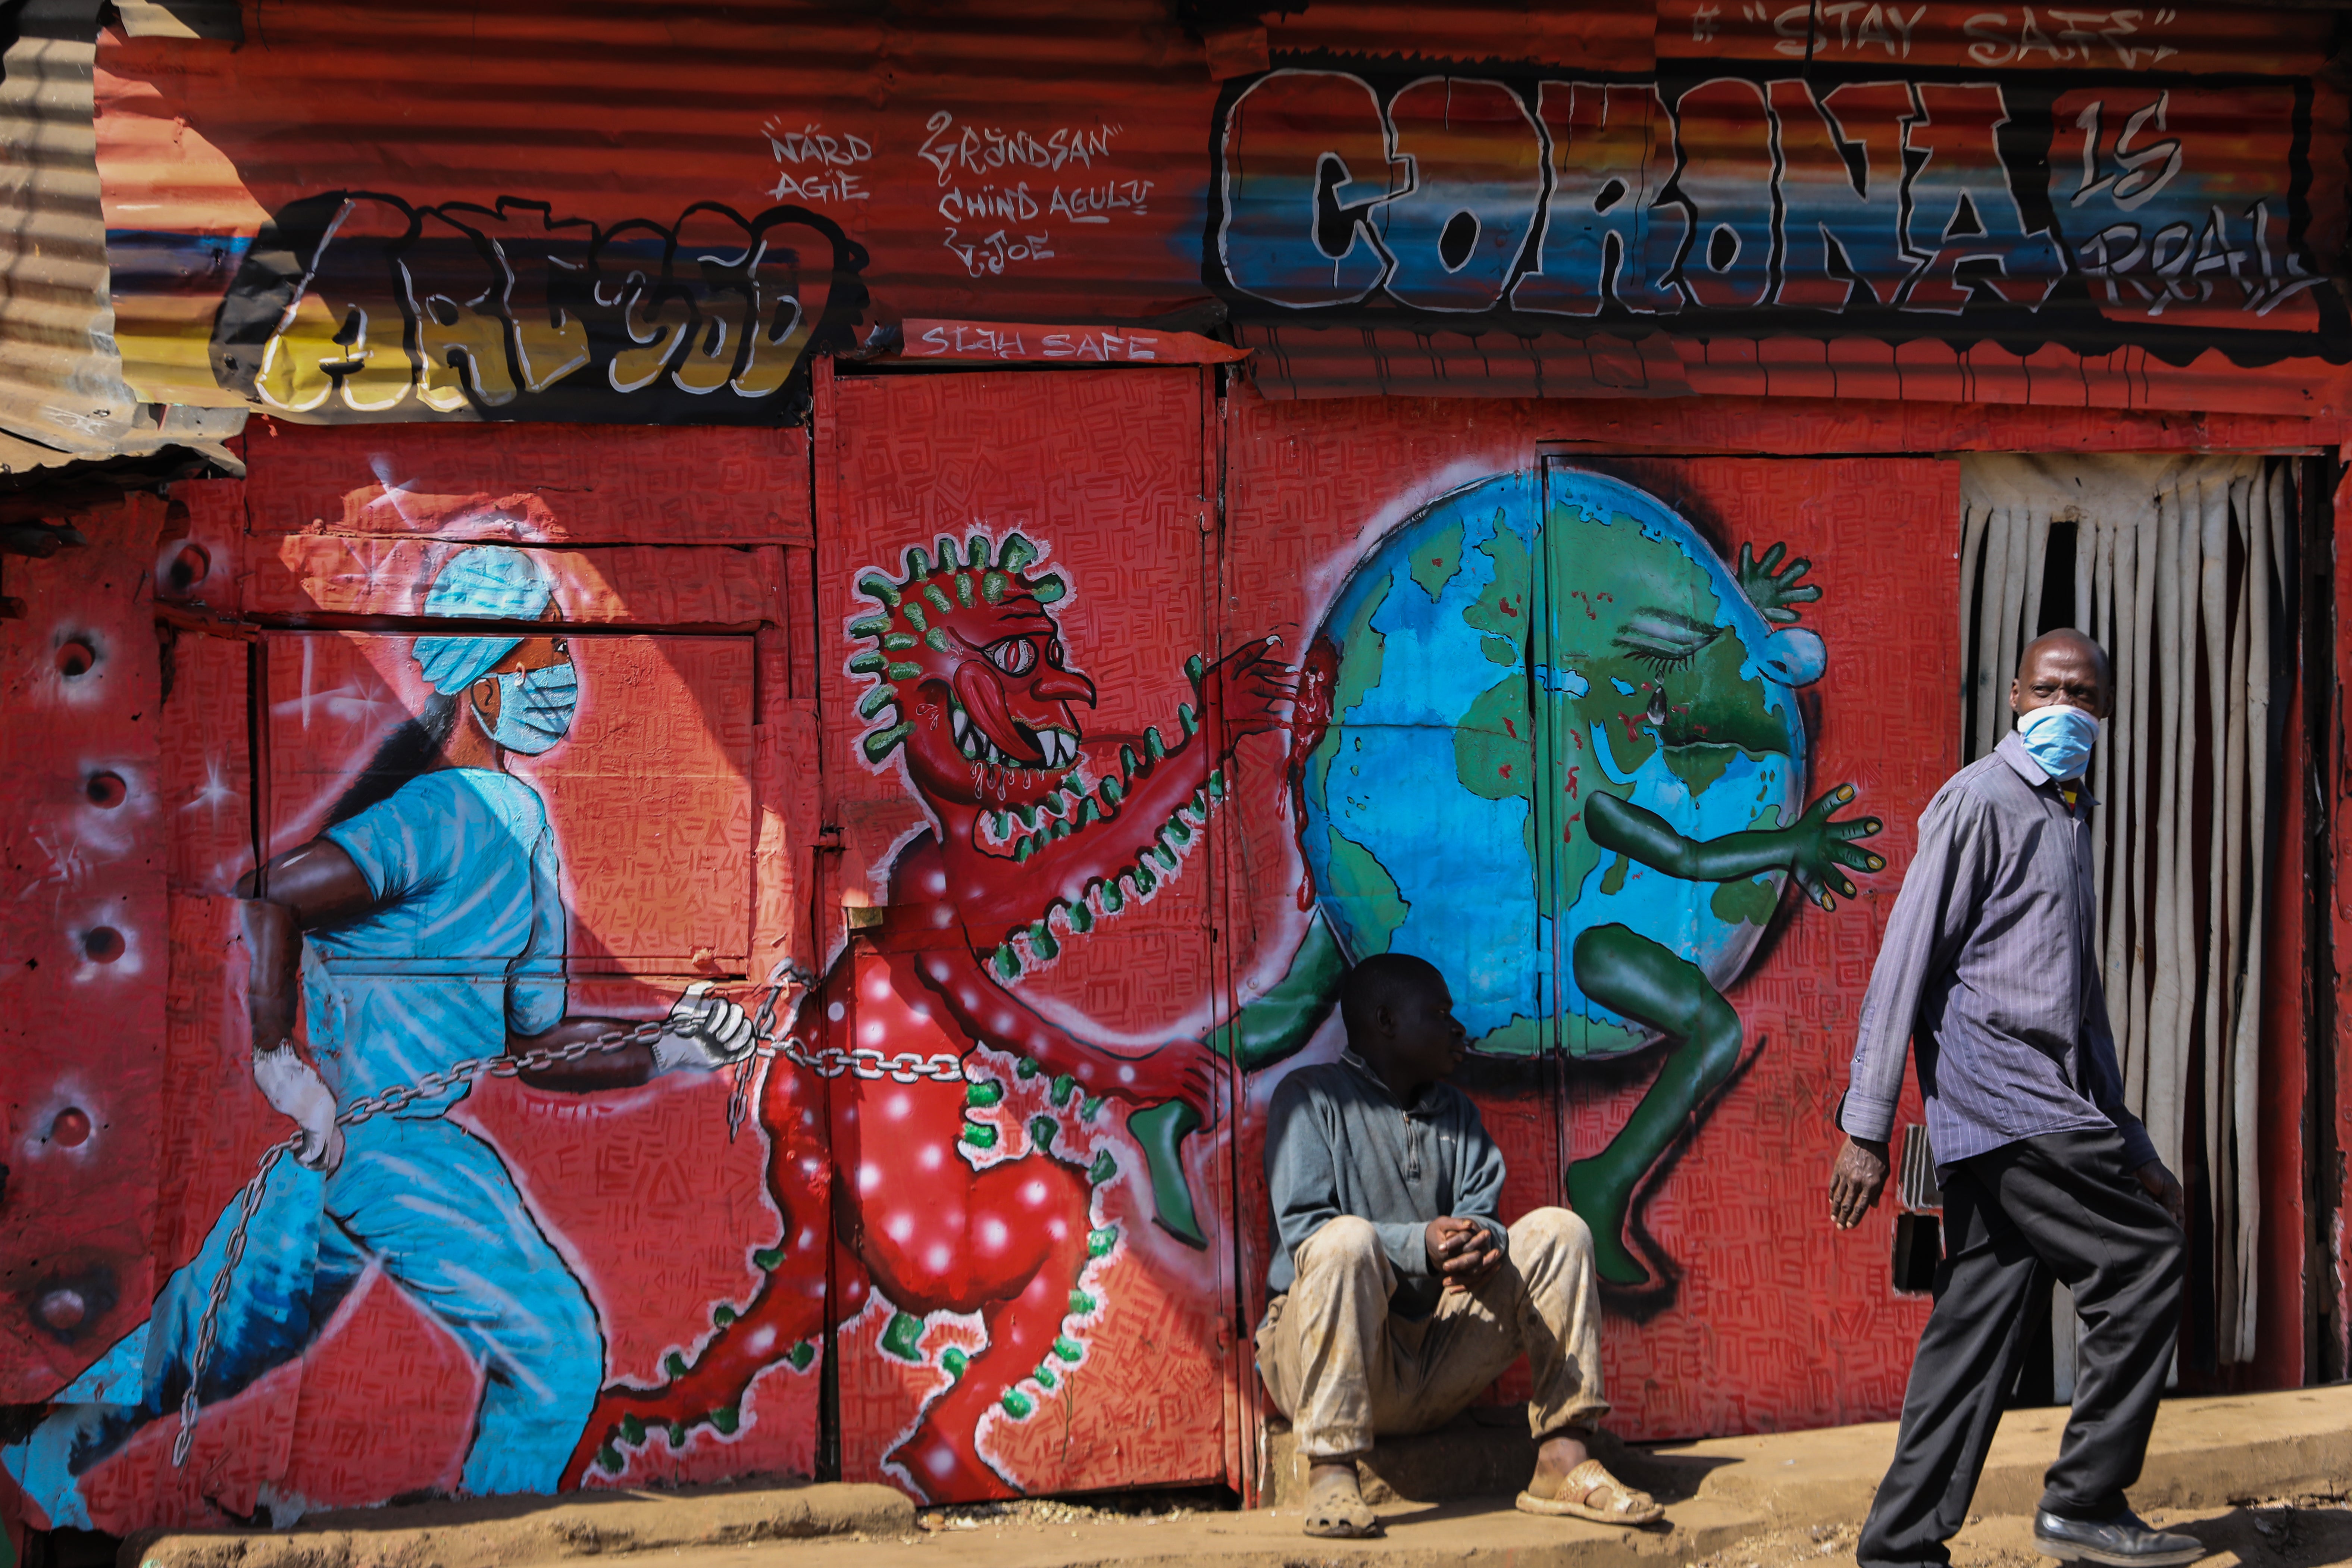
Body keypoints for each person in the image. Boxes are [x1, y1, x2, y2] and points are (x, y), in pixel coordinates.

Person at [3, 547, 756, 1528]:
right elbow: (270, 898)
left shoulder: (521, 823)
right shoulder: (441, 814)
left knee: (202, 1347)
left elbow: (538, 1043)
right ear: (483, 690)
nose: (567, 671)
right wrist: (282, 1065)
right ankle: (491, 1546)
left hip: (347, 1148)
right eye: (548, 652)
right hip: (385, 1141)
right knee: (559, 1349)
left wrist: (670, 1046)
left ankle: (38, 1455)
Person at [1829, 628, 2198, 1568]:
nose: (2063, 709)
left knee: (1978, 1322)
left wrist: (2134, 1143)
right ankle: (2083, 1498)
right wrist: (1865, 1127)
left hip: (2034, 1104)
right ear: (2012, 697)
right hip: (2006, 1100)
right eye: (2048, 690)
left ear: (2104, 712)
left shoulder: (2069, 815)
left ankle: (1899, 1545)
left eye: (2083, 696)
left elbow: (2080, 1009)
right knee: (2144, 1256)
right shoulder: (1977, 800)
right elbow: (1902, 961)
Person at [1257, 951, 1661, 1539]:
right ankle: (1332, 1469)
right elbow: (1305, 1232)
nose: (1457, 1028)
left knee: (1560, 1231)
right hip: (1328, 1366)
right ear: (1387, 1022)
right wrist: (1421, 1244)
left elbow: (1482, 1217)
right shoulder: (1310, 1098)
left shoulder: (1457, 1114)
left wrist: (1482, 1242)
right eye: (1441, 1013)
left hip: (1433, 1359)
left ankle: (1562, 1462)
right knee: (1343, 1241)